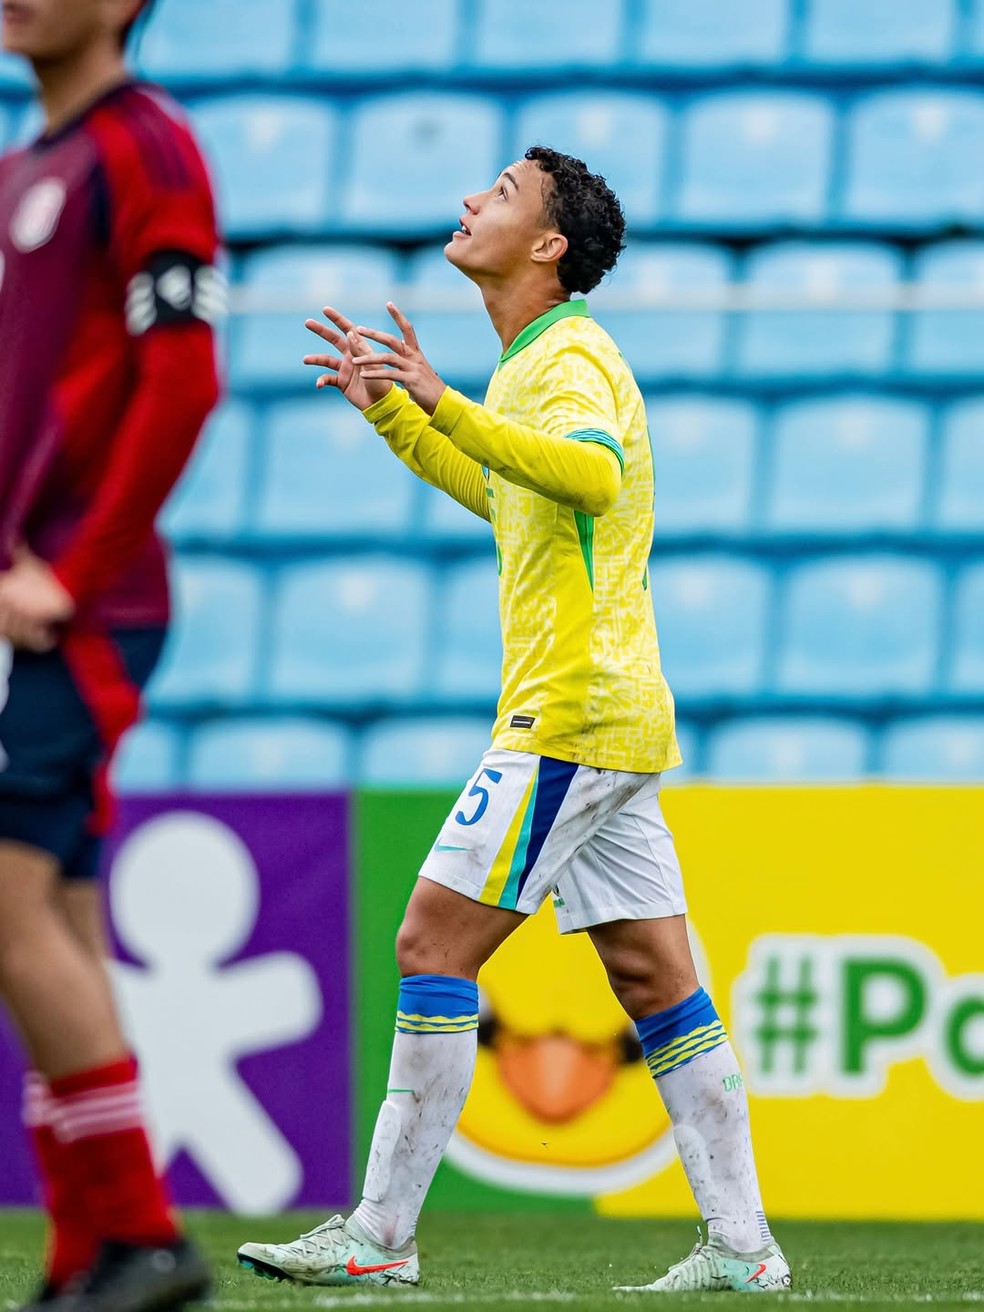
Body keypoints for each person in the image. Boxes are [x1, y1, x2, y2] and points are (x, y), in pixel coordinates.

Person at [237, 147, 791, 1295]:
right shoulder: (537, 363)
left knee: (430, 944)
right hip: (614, 715)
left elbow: (584, 478)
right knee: (653, 977)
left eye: (497, 194)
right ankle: (743, 1245)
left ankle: (380, 1234)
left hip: (569, 716)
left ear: (547, 246)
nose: (467, 201)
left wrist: (446, 399)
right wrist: (401, 416)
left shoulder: (567, 355)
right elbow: (510, 492)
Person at [0, 1, 222, 1308]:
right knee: (57, 921)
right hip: (31, 598)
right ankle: (88, 1251)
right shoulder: (30, 165)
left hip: (83, 607)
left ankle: (144, 1237)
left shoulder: (149, 147)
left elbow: (183, 379)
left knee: (11, 911)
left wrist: (68, 577)